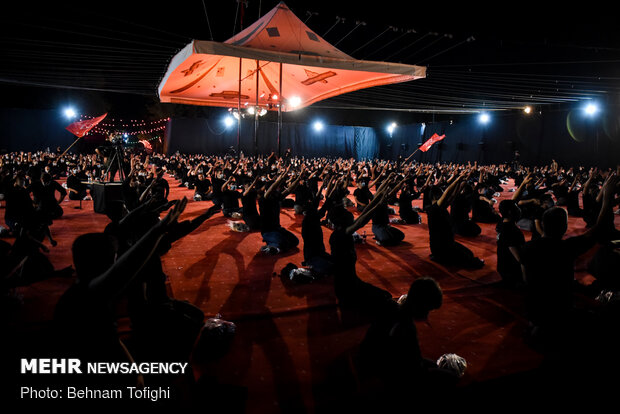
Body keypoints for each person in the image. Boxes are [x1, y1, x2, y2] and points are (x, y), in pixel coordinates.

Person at [519, 173, 618, 351]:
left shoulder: (527, 248)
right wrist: (607, 197)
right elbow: (598, 229)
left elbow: (525, 279)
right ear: (564, 227)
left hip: (533, 309)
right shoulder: (566, 248)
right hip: (558, 311)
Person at [359, 277, 459, 396]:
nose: (427, 315)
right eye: (428, 310)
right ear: (421, 306)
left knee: (434, 365)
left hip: (371, 358)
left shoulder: (393, 310)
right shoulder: (405, 327)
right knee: (451, 377)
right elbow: (414, 370)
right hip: (385, 371)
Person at [426, 170, 484, 269]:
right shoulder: (433, 209)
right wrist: (458, 178)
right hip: (441, 247)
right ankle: (439, 257)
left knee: (469, 253)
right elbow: (448, 192)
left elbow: (452, 195)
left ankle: (440, 257)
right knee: (467, 259)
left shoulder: (441, 207)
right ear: (436, 196)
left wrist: (460, 182)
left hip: (448, 243)